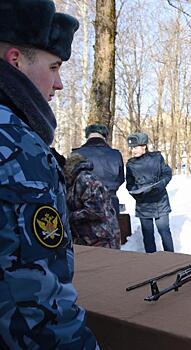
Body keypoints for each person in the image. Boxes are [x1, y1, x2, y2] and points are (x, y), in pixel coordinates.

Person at [0, 1, 98, 347]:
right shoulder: (16, 148)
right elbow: (36, 301)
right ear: (16, 61)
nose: (58, 84)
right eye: (54, 67)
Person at [126, 132, 175, 253]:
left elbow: (167, 173)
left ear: (144, 146)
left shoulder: (157, 158)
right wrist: (136, 192)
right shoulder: (130, 164)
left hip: (160, 201)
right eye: (132, 148)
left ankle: (172, 258)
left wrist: (160, 185)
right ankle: (152, 262)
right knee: (148, 235)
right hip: (143, 203)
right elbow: (129, 184)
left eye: (136, 147)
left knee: (164, 231)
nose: (133, 150)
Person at [64, 153, 121, 249]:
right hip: (93, 238)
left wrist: (70, 216)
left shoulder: (85, 180)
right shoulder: (78, 180)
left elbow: (96, 211)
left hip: (101, 238)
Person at [72, 123, 124, 214]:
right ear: (104, 137)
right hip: (110, 202)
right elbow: (121, 179)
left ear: (87, 136)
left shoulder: (76, 154)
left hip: (83, 206)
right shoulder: (115, 154)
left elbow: (69, 181)